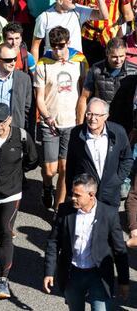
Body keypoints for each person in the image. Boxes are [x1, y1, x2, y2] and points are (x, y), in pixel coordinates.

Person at [44, 173, 129, 310]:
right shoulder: (65, 210)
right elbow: (53, 242)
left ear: (91, 195)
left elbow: (119, 250)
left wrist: (123, 281)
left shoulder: (109, 214)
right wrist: (49, 272)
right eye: (73, 193)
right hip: (73, 274)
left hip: (99, 275)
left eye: (78, 195)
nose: (73, 198)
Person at [0, 103, 38, 299]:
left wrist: (18, 175)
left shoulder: (21, 137)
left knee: (6, 230)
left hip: (11, 193)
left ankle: (3, 279)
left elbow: (32, 159)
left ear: (10, 119)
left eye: (2, 122)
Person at [34, 26, 88, 211]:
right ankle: (47, 187)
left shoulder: (79, 60)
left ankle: (58, 210)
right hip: (50, 122)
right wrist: (47, 117)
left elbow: (84, 91)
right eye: (54, 46)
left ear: (68, 43)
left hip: (71, 122)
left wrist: (82, 119)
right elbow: (39, 97)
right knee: (50, 170)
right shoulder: (43, 63)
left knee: (64, 169)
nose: (57, 50)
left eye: (61, 45)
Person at [66, 98, 133, 208]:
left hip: (110, 195)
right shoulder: (77, 134)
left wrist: (117, 179)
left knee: (109, 224)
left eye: (97, 115)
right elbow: (71, 165)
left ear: (106, 116)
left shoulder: (118, 132)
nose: (93, 119)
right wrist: (71, 191)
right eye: (89, 114)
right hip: (86, 195)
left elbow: (127, 158)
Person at [77, 37, 137, 135]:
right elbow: (84, 97)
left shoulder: (134, 71)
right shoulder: (96, 70)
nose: (118, 60)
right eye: (114, 56)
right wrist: (79, 127)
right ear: (107, 53)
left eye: (122, 56)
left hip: (126, 125)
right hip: (101, 123)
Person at [31, 0, 108, 62]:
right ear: (60, 1)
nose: (75, 0)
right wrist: (35, 71)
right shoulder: (44, 18)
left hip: (75, 64)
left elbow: (103, 16)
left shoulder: (78, 10)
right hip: (52, 65)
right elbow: (35, 47)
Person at [77, 0, 134, 66]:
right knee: (86, 66)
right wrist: (86, 8)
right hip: (87, 35)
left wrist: (131, 37)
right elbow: (76, 7)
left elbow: (127, 14)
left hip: (111, 36)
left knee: (110, 65)